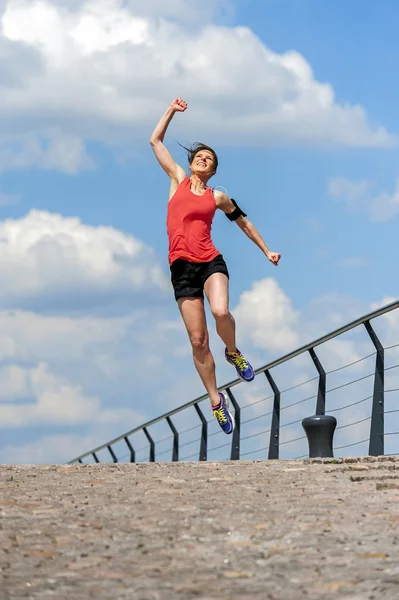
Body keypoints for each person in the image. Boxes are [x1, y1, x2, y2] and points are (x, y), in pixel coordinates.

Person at [149, 97, 281, 435]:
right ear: (191, 163)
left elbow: (243, 222)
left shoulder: (217, 197)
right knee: (197, 341)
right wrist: (170, 111)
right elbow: (155, 142)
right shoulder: (177, 180)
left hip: (210, 261)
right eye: (199, 157)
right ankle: (215, 401)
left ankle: (234, 352)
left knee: (221, 312)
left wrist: (266, 250)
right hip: (181, 268)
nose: (203, 160)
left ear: (213, 170)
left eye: (209, 159)